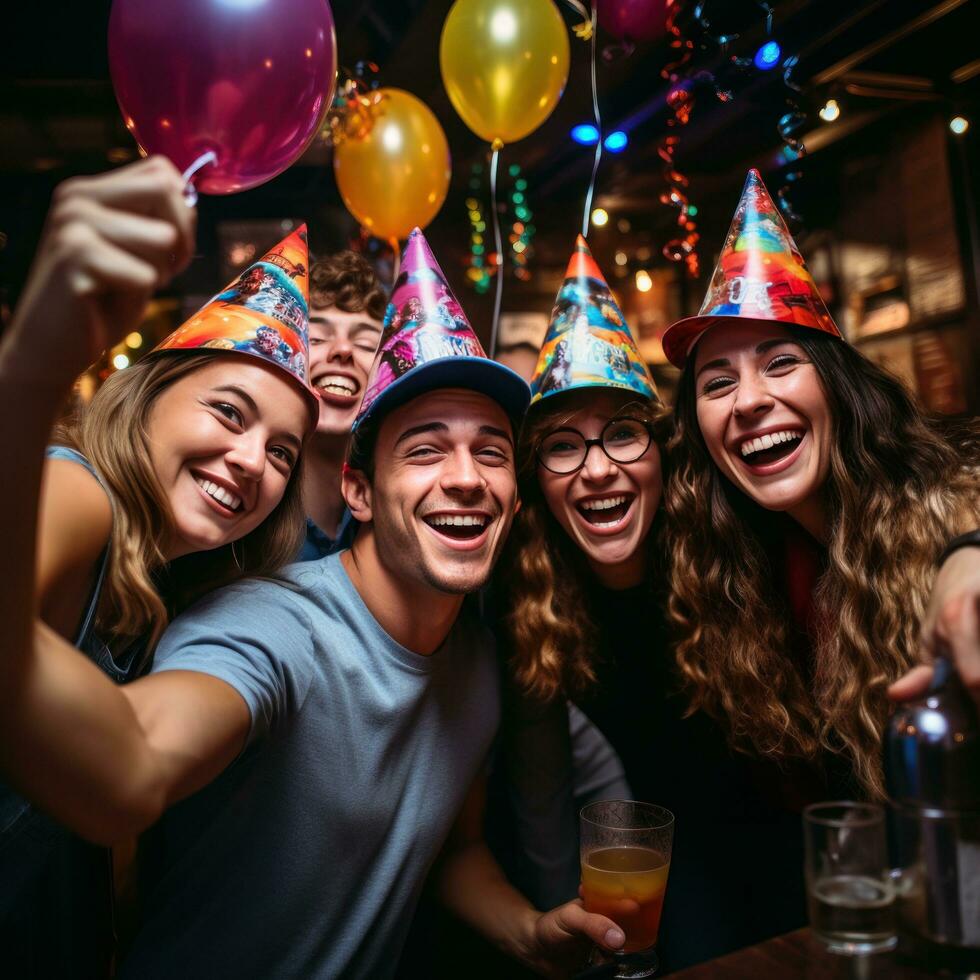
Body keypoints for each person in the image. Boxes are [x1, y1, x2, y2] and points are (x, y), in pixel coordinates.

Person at [1, 225, 625, 979]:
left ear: (515, 496)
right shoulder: (265, 624)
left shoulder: (477, 664)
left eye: (491, 452)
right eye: (426, 449)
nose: (467, 477)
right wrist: (35, 361)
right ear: (357, 490)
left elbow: (450, 849)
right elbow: (134, 762)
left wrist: (527, 931)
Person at [0, 157, 316, 977]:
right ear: (147, 398)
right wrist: (34, 363)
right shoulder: (81, 493)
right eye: (227, 412)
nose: (251, 461)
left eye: (282, 451)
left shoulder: (172, 595)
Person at [299, 249, 386, 558]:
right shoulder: (243, 507)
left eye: (365, 344)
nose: (343, 350)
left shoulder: (389, 516)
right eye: (318, 338)